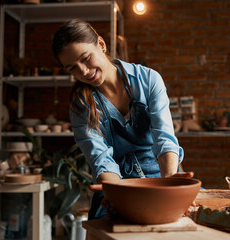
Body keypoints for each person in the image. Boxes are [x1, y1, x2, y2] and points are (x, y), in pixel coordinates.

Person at [52, 19, 185, 219]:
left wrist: (168, 188)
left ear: (102, 45)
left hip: (163, 176)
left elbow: (164, 140)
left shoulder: (148, 80)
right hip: (116, 183)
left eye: (86, 58)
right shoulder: (81, 104)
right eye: (72, 68)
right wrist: (117, 196)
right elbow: (101, 159)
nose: (84, 71)